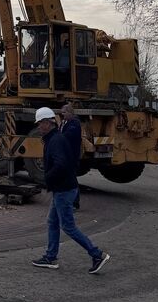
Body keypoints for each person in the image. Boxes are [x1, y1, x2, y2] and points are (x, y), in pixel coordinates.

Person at [31, 107, 110, 274]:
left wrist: (48, 178)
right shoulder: (54, 138)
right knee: (52, 222)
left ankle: (97, 254)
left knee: (68, 226)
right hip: (64, 188)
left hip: (64, 190)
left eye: (39, 123)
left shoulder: (56, 141)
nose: (38, 127)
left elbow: (61, 164)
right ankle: (50, 257)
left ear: (47, 123)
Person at [60, 103, 83, 210]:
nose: (62, 115)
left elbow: (68, 136)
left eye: (64, 113)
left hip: (72, 156)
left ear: (70, 112)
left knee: (71, 179)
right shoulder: (64, 122)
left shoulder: (74, 124)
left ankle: (75, 203)